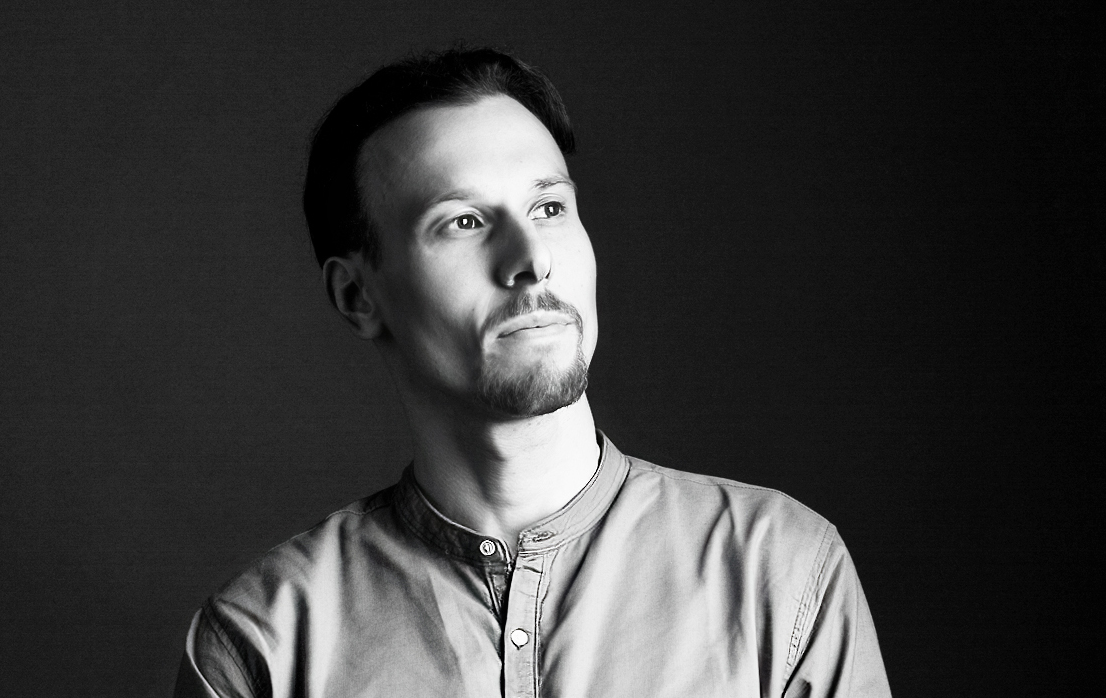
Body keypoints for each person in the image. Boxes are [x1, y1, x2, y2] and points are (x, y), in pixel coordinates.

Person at [175, 47, 890, 698]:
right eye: (463, 222)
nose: (532, 259)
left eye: (549, 207)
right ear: (359, 296)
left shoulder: (781, 570)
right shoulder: (262, 641)